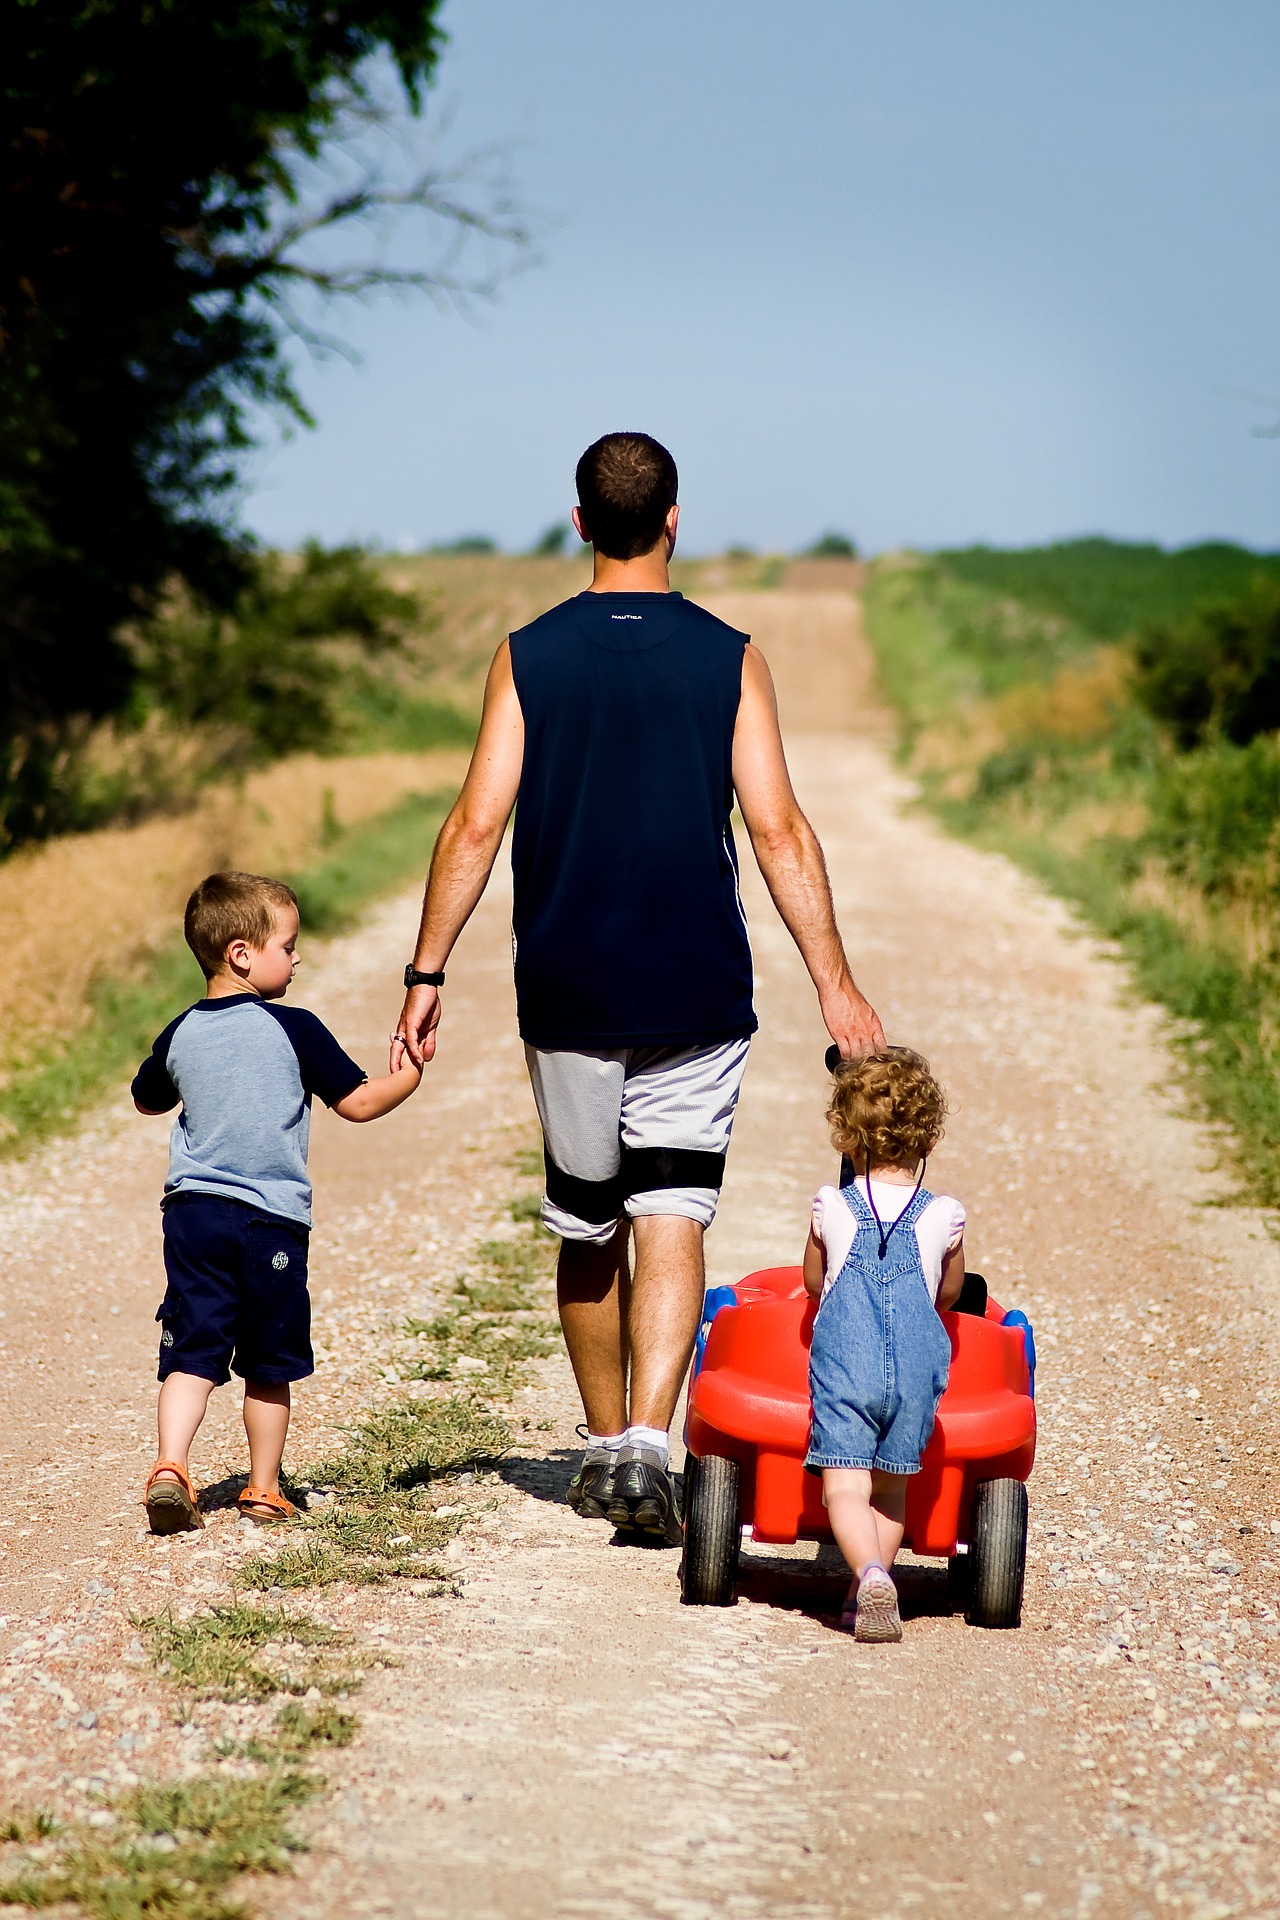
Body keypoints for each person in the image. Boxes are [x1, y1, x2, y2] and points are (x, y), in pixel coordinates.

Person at [398, 431, 884, 1546]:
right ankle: (650, 1447)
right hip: (694, 983)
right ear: (674, 518)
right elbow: (777, 829)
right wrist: (837, 991)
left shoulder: (526, 654)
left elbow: (476, 823)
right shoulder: (730, 657)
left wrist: (425, 971)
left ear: (577, 524)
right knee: (672, 1207)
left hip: (565, 982)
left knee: (587, 1220)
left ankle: (608, 1441)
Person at [132, 870, 423, 1533]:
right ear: (242, 953)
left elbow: (146, 1096)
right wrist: (408, 1075)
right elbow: (359, 1102)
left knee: (191, 1350)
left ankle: (172, 1466)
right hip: (271, 1222)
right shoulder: (295, 1028)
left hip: (193, 1217)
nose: (296, 959)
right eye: (288, 947)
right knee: (268, 1362)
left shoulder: (180, 1032)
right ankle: (263, 1486)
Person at [802, 1046, 966, 1642]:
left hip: (847, 1360)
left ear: (849, 1139)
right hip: (919, 1363)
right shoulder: (944, 1214)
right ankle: (866, 1590)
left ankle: (868, 1573)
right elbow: (947, 1293)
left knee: (846, 1483)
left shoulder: (832, 1205)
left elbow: (814, 1282)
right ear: (927, 1140)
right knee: (891, 1485)